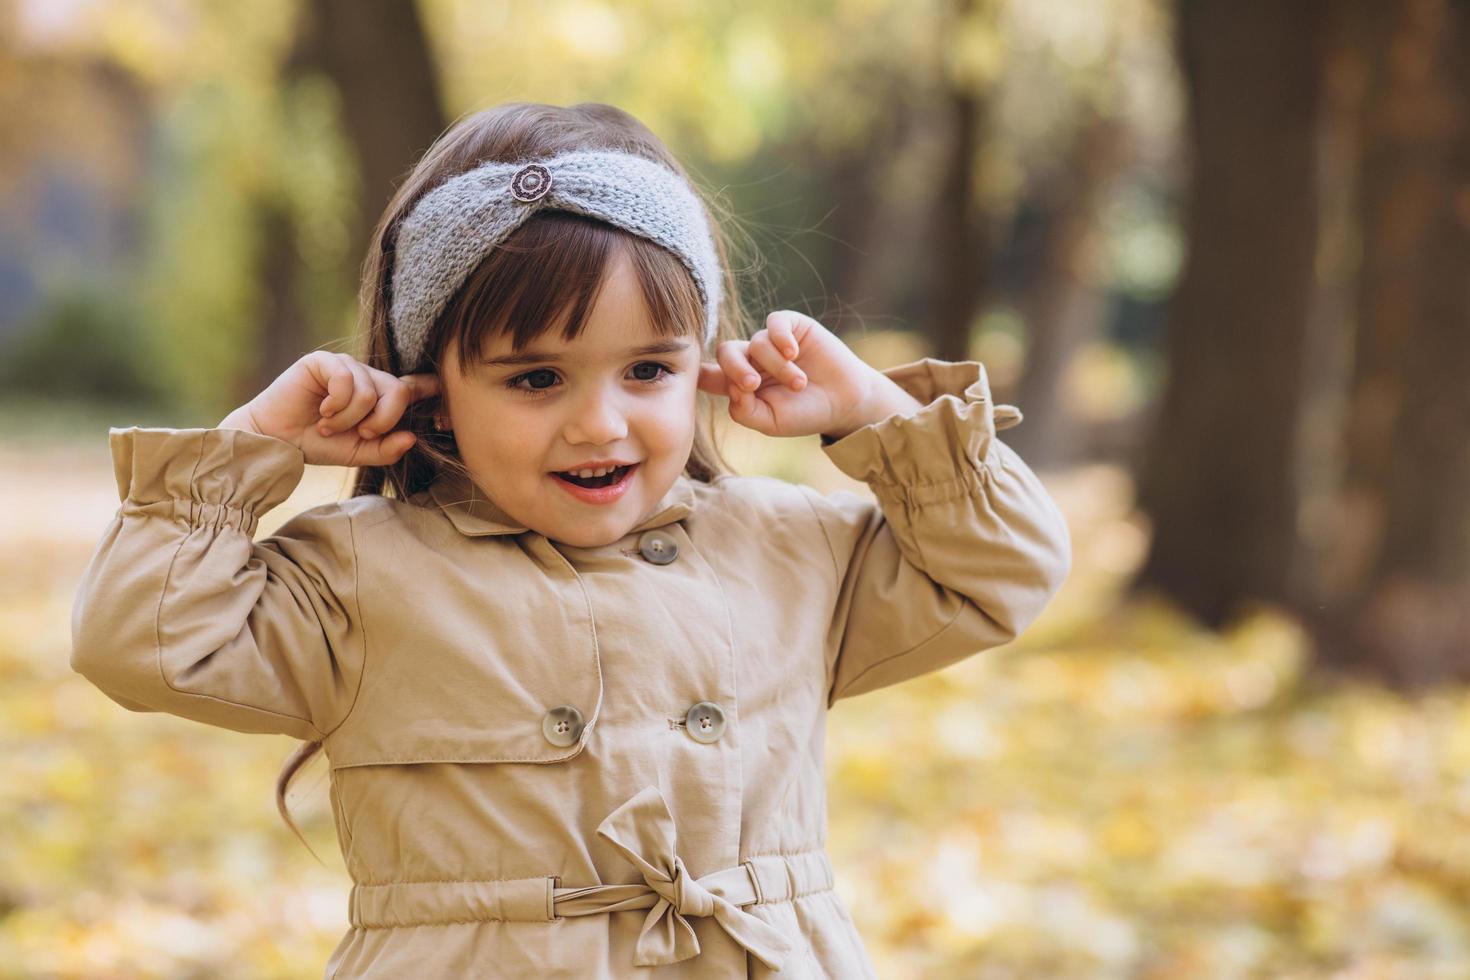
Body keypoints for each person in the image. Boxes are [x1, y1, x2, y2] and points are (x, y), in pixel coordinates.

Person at [70, 101, 1072, 978]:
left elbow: (1006, 569)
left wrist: (877, 410)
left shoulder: (789, 551)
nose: (600, 424)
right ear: (438, 392)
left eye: (646, 370)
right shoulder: (363, 578)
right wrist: (254, 446)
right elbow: (138, 636)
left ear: (702, 367)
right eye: (535, 378)